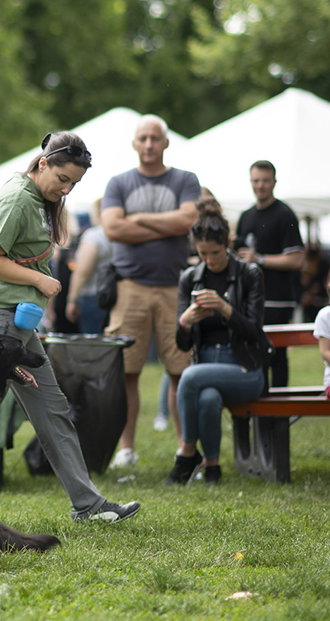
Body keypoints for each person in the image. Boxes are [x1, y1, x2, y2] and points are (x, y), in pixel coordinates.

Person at [0, 131, 139, 522]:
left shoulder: (38, 198)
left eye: (74, 184)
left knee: (52, 409)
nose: (66, 189)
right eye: (62, 180)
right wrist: (39, 280)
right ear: (43, 163)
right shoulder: (15, 199)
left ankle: (88, 506)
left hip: (16, 320)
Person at [101, 115, 201, 468]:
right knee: (127, 372)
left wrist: (139, 219)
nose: (148, 144)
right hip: (129, 289)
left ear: (166, 142)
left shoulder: (185, 180)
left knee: (180, 371)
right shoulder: (119, 182)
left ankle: (184, 449)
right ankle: (126, 449)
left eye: (154, 138)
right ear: (134, 143)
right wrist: (165, 224)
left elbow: (188, 220)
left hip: (176, 289)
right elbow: (112, 228)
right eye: (142, 138)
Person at [166, 196, 267, 485]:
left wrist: (225, 308)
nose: (209, 260)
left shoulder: (249, 274)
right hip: (208, 366)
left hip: (245, 369)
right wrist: (186, 321)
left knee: (189, 376)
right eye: (202, 254)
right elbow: (182, 345)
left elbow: (254, 332)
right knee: (208, 398)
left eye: (214, 253)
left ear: (227, 244)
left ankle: (187, 453)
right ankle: (212, 468)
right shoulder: (190, 278)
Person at [235, 160, 304, 389]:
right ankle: (261, 411)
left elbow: (297, 258)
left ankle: (279, 417)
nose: (260, 185)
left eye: (265, 180)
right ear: (250, 181)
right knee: (256, 355)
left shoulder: (285, 215)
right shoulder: (245, 216)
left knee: (277, 356)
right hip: (252, 301)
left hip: (279, 300)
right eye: (256, 180)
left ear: (274, 182)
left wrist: (260, 259)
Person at [65, 200, 112, 334]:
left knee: (93, 346)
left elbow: (82, 271)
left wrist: (72, 299)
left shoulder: (94, 235)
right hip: (116, 296)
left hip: (93, 297)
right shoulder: (121, 234)